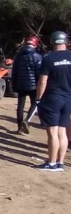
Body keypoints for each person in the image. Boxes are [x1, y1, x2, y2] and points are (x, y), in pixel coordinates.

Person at [33, 31, 71, 172]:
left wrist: (38, 98)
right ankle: (60, 163)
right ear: (65, 41)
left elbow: (43, 81)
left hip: (53, 98)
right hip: (68, 98)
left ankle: (52, 163)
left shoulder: (48, 58)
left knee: (53, 132)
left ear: (52, 41)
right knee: (62, 132)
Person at [11, 35, 42, 135]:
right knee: (35, 103)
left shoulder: (19, 56)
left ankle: (20, 128)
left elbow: (14, 72)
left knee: (20, 106)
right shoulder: (37, 56)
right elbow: (39, 73)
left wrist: (13, 84)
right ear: (35, 44)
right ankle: (27, 121)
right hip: (33, 85)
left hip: (21, 84)